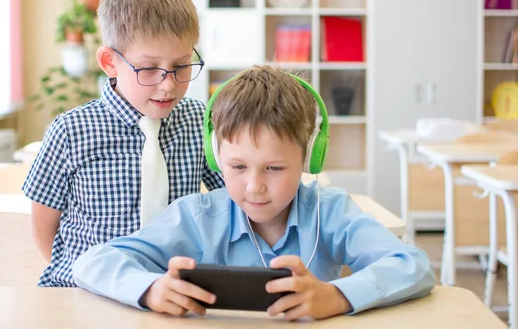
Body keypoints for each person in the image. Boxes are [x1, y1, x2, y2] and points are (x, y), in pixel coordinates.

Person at [72, 65, 435, 321]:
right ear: (216, 157)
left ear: (309, 157)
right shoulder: (198, 216)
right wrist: (150, 288)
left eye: (274, 168)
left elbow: (413, 266)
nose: (254, 186)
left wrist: (337, 297)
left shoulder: (331, 211)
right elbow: (94, 261)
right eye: (238, 167)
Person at [22, 0, 224, 287]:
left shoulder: (198, 123)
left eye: (181, 66)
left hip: (170, 290)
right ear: (110, 62)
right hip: (84, 290)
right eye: (149, 68)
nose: (168, 84)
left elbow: (235, 192)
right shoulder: (70, 131)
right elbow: (43, 229)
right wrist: (91, 280)